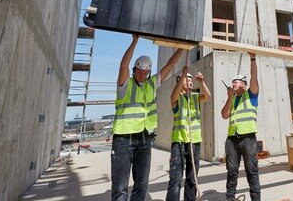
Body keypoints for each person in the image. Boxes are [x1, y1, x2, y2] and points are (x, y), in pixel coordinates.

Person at [111, 34, 182, 201]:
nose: (142, 75)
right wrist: (134, 41)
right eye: (139, 71)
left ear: (149, 72)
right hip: (123, 139)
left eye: (145, 72)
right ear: (135, 70)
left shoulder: (151, 84)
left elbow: (169, 65)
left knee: (142, 184)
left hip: (144, 139)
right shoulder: (125, 84)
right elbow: (123, 65)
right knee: (120, 187)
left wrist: (182, 48)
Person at [166, 67, 212, 201]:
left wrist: (202, 82)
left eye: (192, 80)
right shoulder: (177, 98)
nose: (191, 82)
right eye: (188, 79)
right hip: (179, 142)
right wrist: (182, 77)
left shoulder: (195, 97)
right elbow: (173, 96)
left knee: (192, 178)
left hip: (194, 142)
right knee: (175, 179)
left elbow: (208, 96)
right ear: (180, 82)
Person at [221, 53, 261, 201]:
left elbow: (254, 78)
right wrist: (229, 97)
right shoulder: (232, 99)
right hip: (232, 139)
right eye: (232, 82)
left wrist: (252, 59)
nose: (233, 84)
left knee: (251, 170)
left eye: (236, 82)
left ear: (243, 84)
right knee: (231, 171)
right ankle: (230, 198)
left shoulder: (251, 95)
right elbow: (224, 115)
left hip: (248, 138)